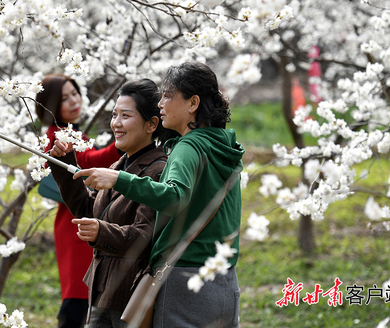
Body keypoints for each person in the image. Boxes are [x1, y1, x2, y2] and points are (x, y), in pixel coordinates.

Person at [74, 62, 244, 328]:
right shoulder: (223, 145)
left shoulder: (188, 147)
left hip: (184, 278)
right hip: (224, 278)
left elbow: (176, 197)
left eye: (168, 95)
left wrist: (119, 179)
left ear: (193, 103)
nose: (160, 103)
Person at [47, 79, 175, 328]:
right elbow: (89, 209)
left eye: (125, 116)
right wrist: (64, 165)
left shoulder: (158, 169)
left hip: (131, 294)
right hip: (100, 292)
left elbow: (144, 235)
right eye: (114, 114)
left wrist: (100, 231)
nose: (116, 123)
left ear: (152, 124)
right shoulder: (118, 166)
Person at [36, 74, 121, 328]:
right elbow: (88, 163)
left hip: (84, 218)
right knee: (77, 297)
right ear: (50, 105)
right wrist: (126, 142)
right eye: (64, 98)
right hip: (75, 222)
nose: (74, 101)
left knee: (86, 294)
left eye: (75, 93)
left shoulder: (72, 132)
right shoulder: (55, 137)